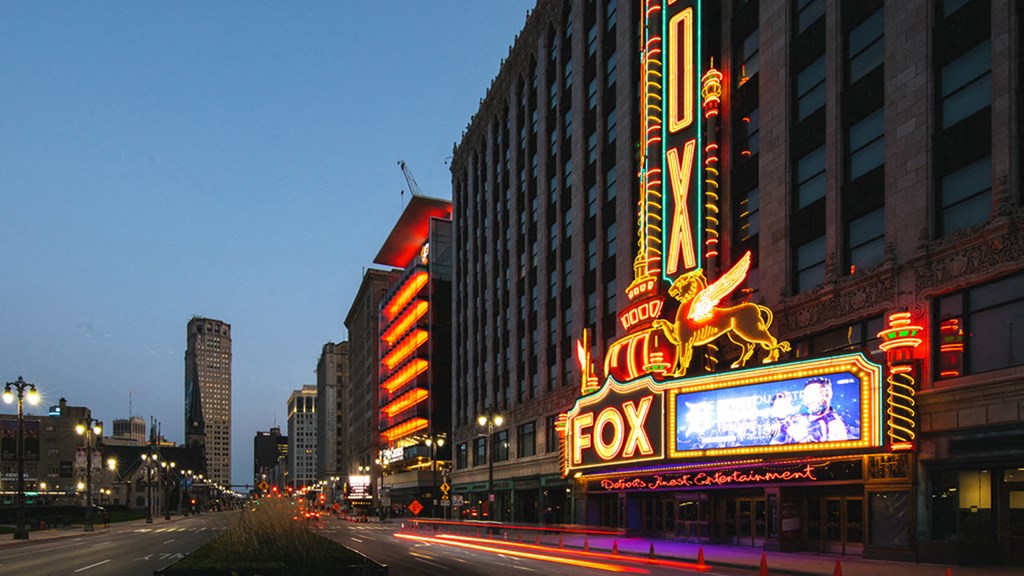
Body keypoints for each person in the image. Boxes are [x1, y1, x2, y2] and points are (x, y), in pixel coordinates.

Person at [773, 377, 848, 443]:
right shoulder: (798, 418)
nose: (810, 400)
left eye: (815, 394)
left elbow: (832, 454)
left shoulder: (835, 425)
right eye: (807, 396)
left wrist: (801, 438)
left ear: (827, 395)